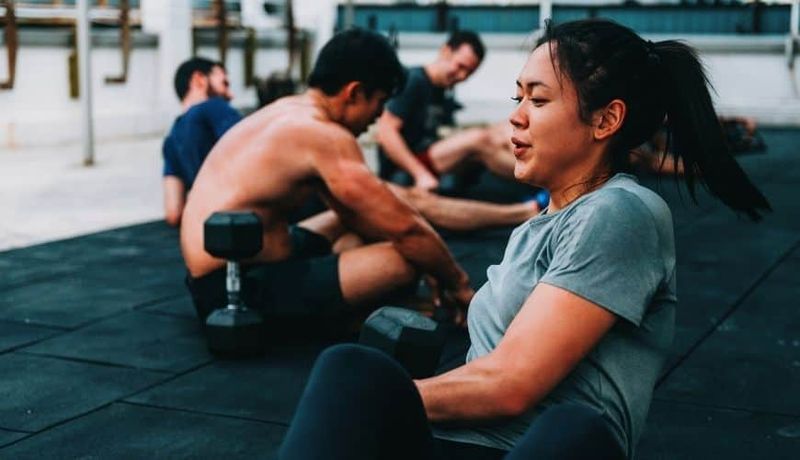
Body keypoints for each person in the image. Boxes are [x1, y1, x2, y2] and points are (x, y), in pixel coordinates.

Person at [279, 18, 771, 460]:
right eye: (519, 98)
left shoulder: (621, 212)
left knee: (567, 425)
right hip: (458, 443)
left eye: (538, 100)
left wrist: (386, 399)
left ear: (605, 120)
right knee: (350, 368)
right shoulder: (538, 227)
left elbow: (510, 386)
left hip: (540, 448)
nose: (516, 116)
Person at [180, 29, 473, 330]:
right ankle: (349, 316)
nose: (379, 115)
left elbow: (365, 215)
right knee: (406, 261)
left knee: (363, 224)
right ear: (354, 92)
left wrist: (429, 259)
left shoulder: (288, 109)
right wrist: (459, 284)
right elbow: (407, 230)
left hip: (224, 271)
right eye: (380, 101)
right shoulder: (324, 136)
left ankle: (351, 305)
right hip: (233, 292)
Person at [376, 31, 517, 191]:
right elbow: (385, 131)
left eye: (469, 72)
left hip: (431, 157)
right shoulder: (415, 81)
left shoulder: (440, 91)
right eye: (460, 66)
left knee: (505, 129)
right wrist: (420, 174)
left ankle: (534, 173)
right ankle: (536, 178)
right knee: (480, 139)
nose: (462, 76)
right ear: (445, 51)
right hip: (406, 168)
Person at [162, 57, 240, 227]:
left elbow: (173, 212)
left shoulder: (171, 140)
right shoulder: (213, 107)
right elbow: (249, 148)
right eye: (224, 83)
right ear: (199, 80)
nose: (231, 95)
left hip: (213, 223)